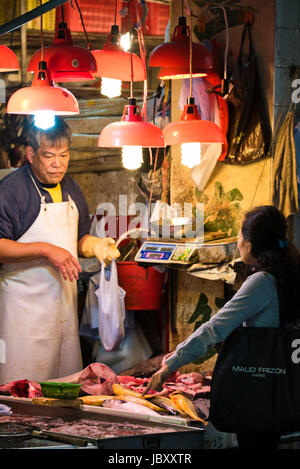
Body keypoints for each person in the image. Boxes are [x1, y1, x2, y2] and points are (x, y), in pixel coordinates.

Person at [145, 205, 300, 449]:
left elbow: (214, 328)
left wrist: (169, 365)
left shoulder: (262, 282)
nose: (238, 243)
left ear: (250, 245)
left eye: (240, 237)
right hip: (281, 387)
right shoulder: (289, 275)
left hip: (258, 388)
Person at [0, 117, 120, 384]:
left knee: (64, 388)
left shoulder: (71, 188)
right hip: (23, 315)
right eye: (49, 156)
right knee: (21, 391)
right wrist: (45, 250)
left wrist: (97, 246)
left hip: (63, 311)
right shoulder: (12, 192)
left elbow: (78, 239)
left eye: (64, 155)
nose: (58, 163)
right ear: (31, 155)